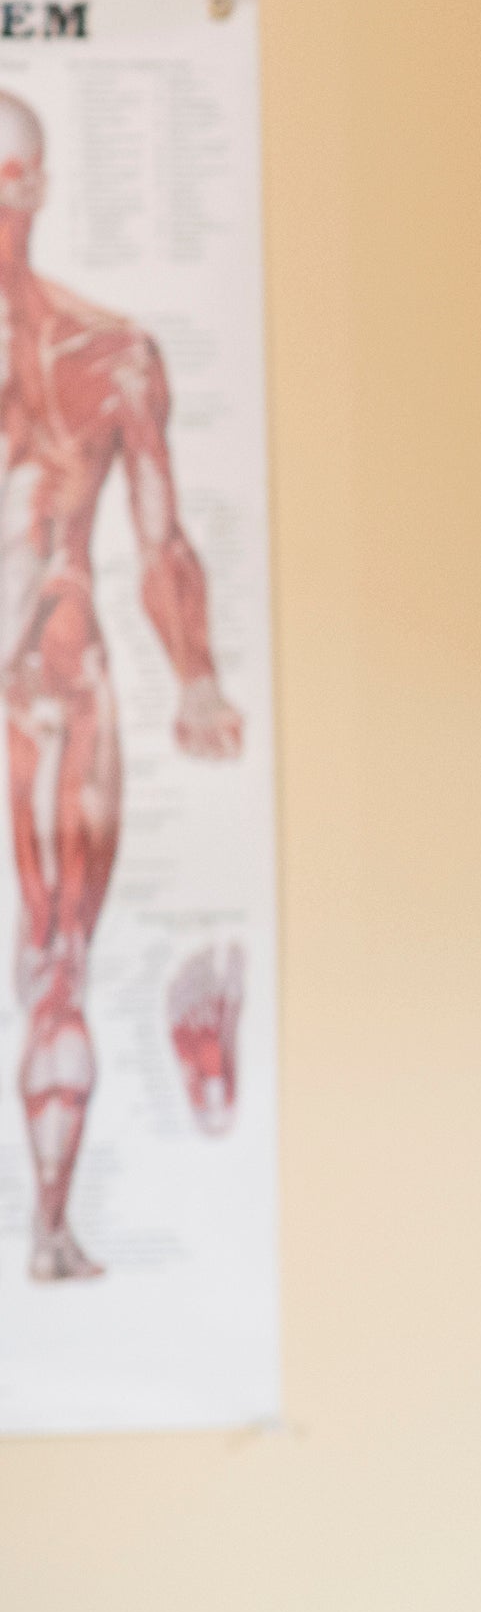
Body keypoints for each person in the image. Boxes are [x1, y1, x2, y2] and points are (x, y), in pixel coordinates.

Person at [0, 90, 246, 1281]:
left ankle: (48, 1231)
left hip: (54, 679)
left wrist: (196, 677)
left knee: (55, 958)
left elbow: (159, 540)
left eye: (4, 177)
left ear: (38, 190)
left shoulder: (109, 358)